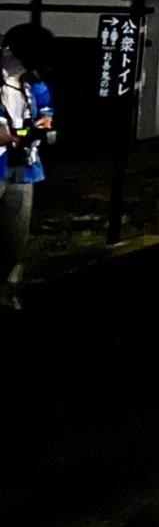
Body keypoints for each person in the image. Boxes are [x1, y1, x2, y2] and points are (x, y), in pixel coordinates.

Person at [0, 24, 56, 311]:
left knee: (16, 233)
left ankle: (9, 290)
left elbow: (46, 106)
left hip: (23, 163)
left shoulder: (34, 82)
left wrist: (44, 121)